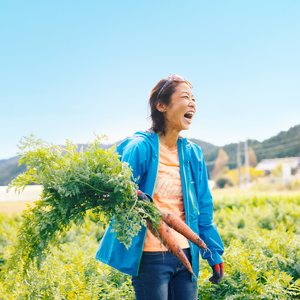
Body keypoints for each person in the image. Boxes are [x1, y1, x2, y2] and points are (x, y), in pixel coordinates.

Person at [95, 75, 224, 300]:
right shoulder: (140, 148)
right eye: (185, 97)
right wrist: (135, 200)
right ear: (161, 106)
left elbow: (203, 204)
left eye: (194, 98)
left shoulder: (193, 153)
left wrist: (213, 251)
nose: (192, 103)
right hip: (151, 257)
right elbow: (114, 196)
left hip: (187, 253)